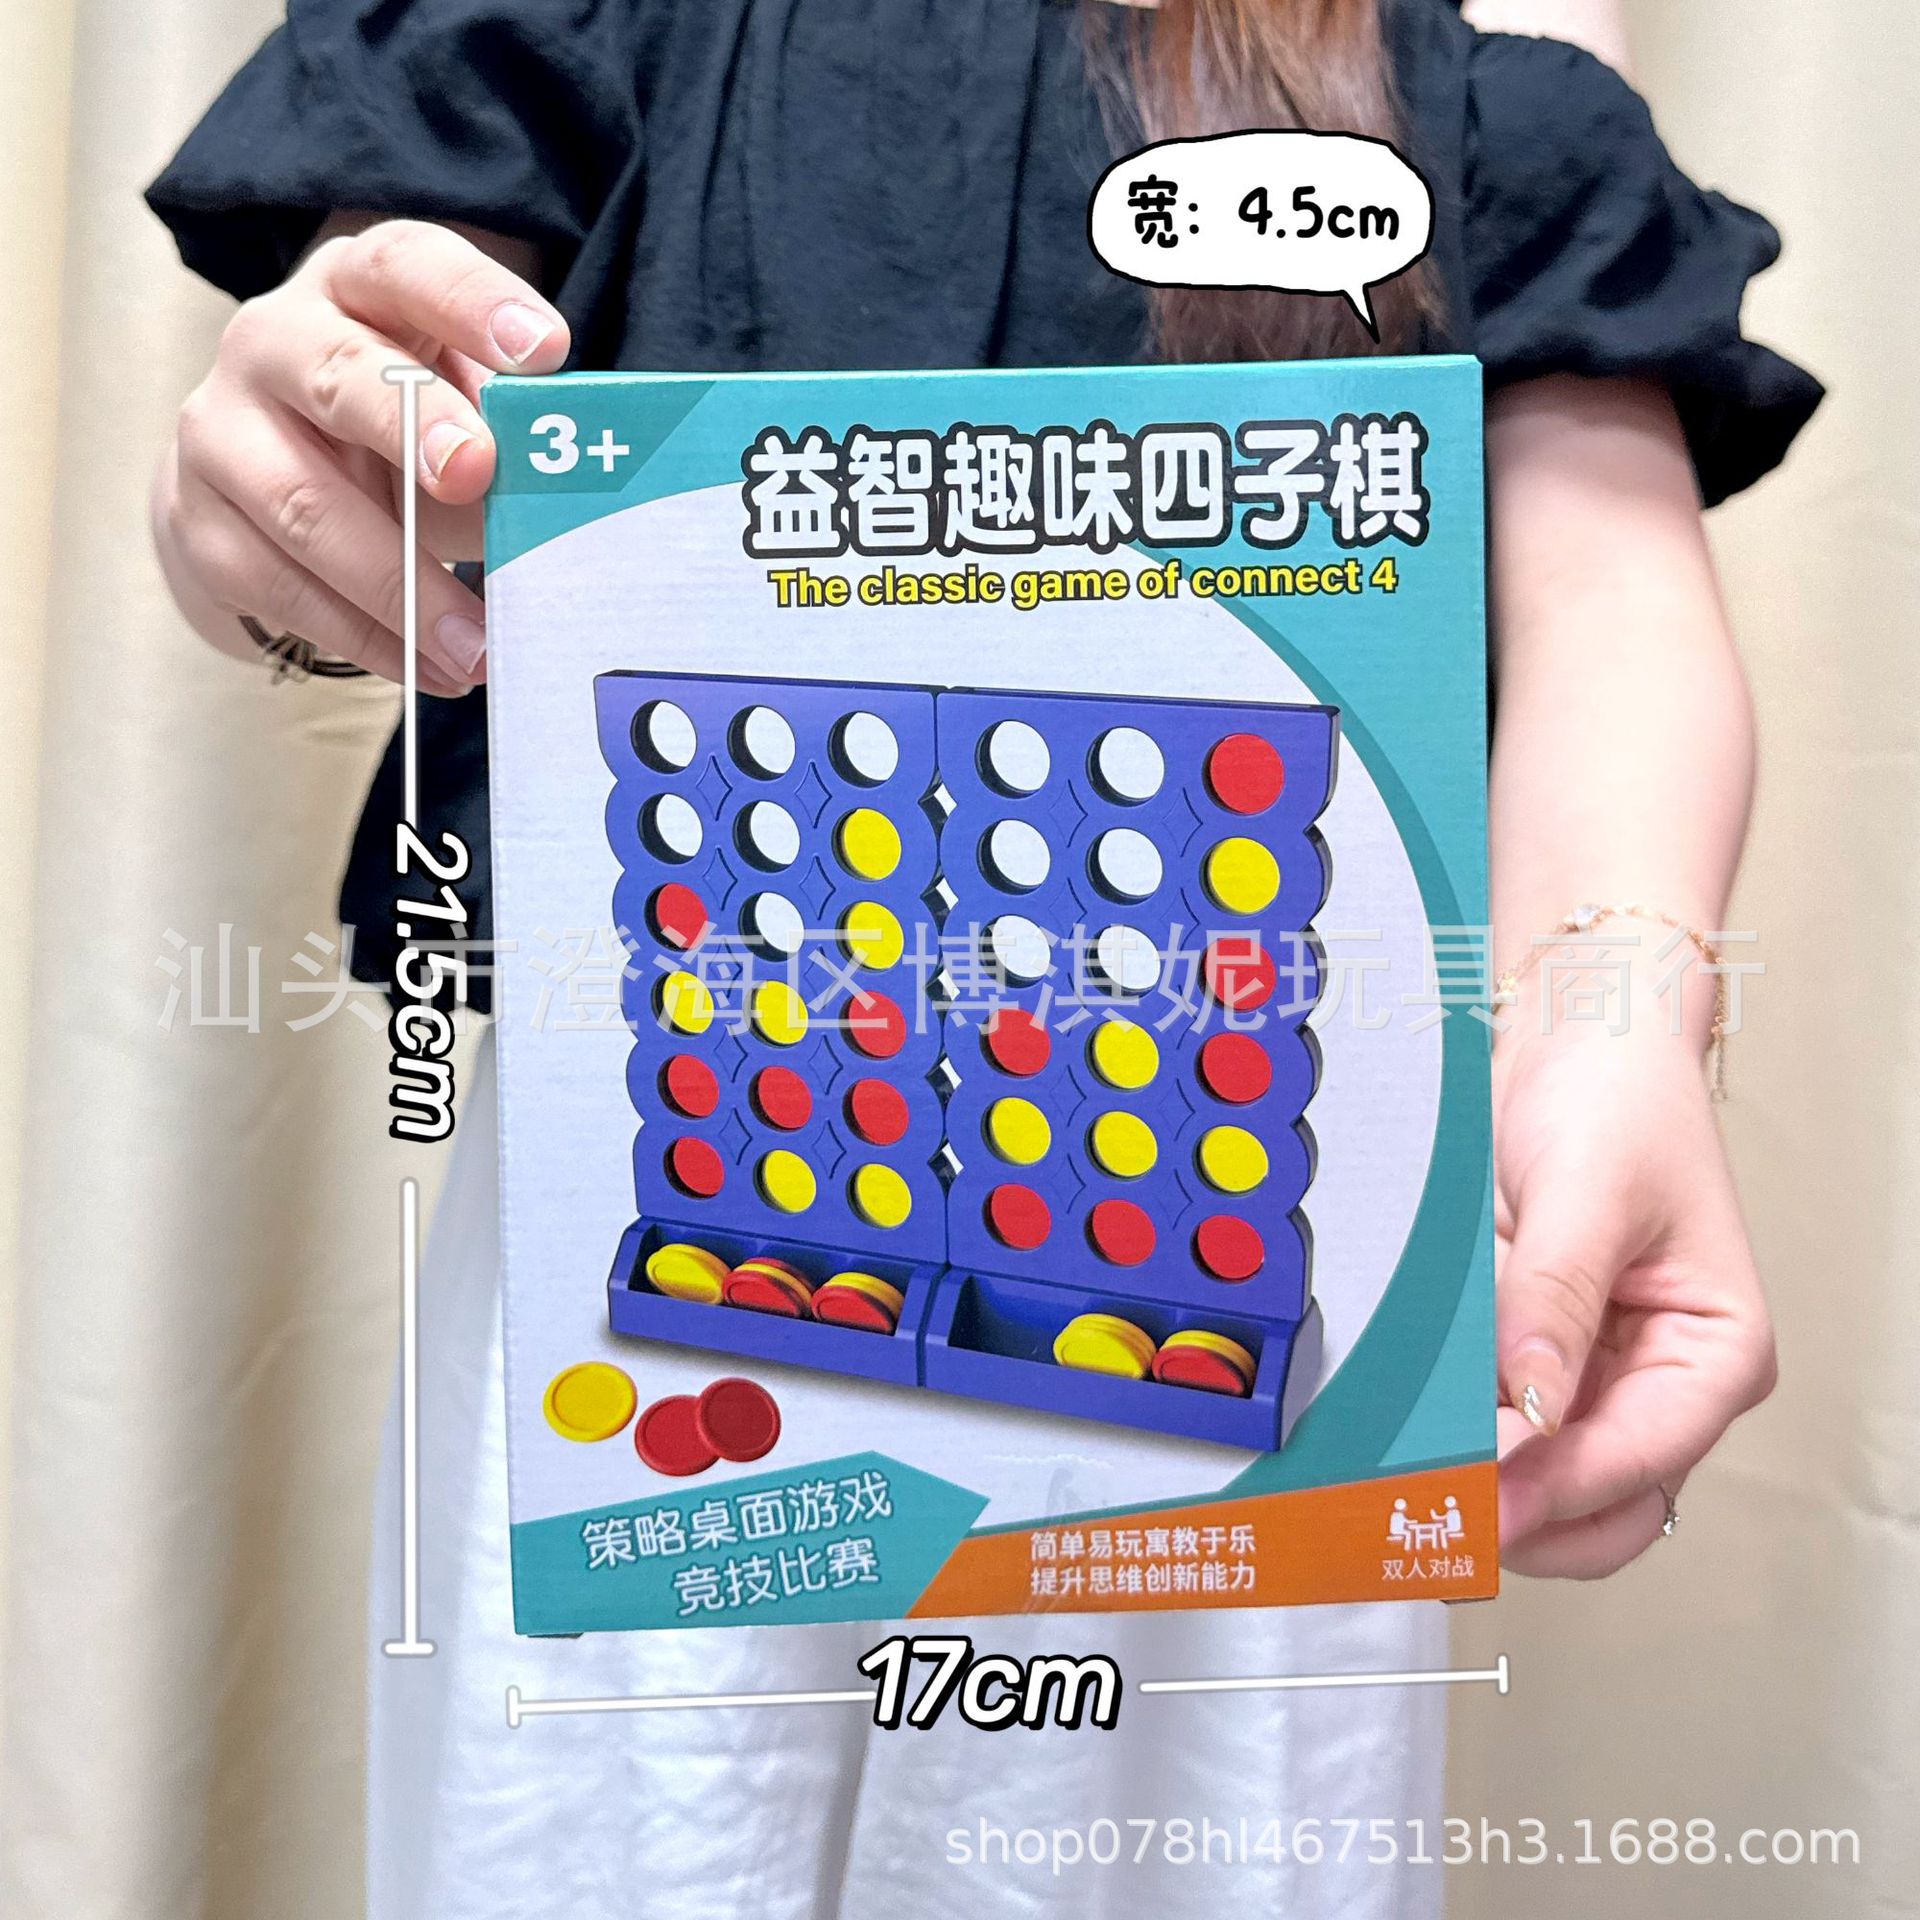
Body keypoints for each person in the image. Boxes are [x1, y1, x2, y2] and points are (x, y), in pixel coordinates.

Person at [144, 1, 1820, 1912]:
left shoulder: (1452, 32)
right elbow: (368, 414)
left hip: (1230, 1235)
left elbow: (1607, 588)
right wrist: (262, 498)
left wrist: (1621, 1008)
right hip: (683, 1201)